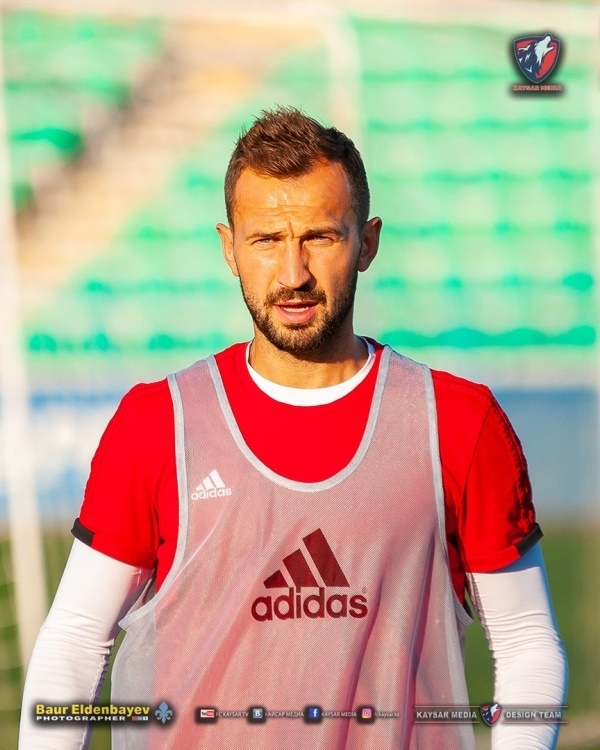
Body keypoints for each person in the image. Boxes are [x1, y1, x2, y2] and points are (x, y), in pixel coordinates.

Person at [19, 106, 567, 750]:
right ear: (229, 248)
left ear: (367, 242)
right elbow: (75, 641)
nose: (293, 273)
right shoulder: (156, 423)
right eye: (266, 241)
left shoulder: (458, 421)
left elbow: (527, 642)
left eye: (319, 237)